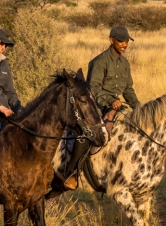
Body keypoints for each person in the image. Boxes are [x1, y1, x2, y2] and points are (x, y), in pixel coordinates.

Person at [59, 25, 140, 191]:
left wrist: (139, 108)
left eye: (126, 41)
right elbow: (93, 88)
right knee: (88, 134)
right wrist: (110, 100)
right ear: (111, 40)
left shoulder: (125, 63)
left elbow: (128, 89)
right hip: (97, 107)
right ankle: (73, 173)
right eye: (120, 41)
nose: (124, 44)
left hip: (118, 108)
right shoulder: (99, 61)